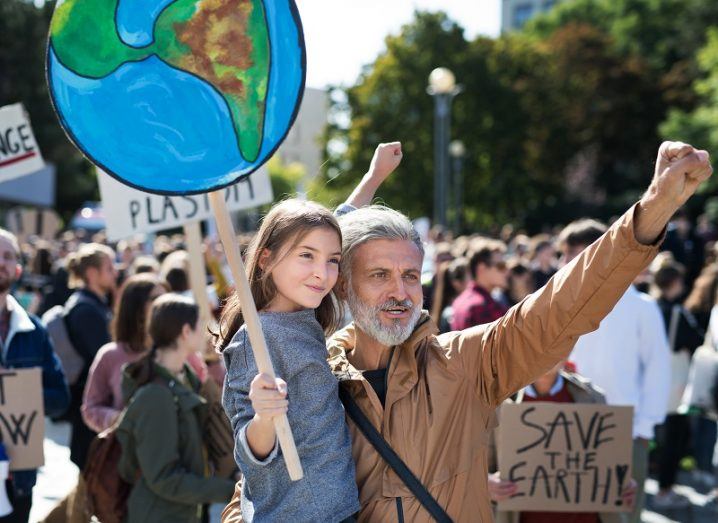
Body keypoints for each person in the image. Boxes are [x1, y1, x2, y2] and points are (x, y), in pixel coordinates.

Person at [221, 142, 711, 521]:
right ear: (342, 284)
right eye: (379, 276)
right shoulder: (310, 371)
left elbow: (564, 306)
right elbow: (256, 492)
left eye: (411, 275)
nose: (401, 292)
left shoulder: (467, 362)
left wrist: (650, 213)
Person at [218, 143, 402, 522]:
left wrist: (373, 177)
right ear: (266, 258)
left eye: (333, 260)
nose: (323, 271)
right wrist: (264, 418)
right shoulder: (257, 339)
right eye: (306, 256)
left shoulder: (302, 309)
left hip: (338, 510)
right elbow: (249, 456)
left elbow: (337, 223)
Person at [563, 218, 671, 522]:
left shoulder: (643, 308)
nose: (565, 262)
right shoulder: (560, 305)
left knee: (622, 516)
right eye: (564, 254)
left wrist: (643, 429)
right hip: (569, 429)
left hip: (627, 430)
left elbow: (657, 372)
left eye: (573, 253)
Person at [116, 293, 235, 522]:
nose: (206, 329)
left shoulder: (184, 378)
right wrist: (229, 489)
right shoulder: (156, 396)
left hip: (183, 511)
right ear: (185, 332)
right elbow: (164, 478)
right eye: (200, 323)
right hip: (159, 515)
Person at [488, 361, 637, 523]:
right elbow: (469, 469)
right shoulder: (496, 401)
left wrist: (622, 485)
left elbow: (607, 468)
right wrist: (487, 485)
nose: (551, 348)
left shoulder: (592, 397)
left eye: (560, 340)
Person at [0, 229, 69, 523]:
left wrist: (20, 394)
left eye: (8, 256)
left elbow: (60, 399)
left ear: (18, 269)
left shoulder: (34, 330)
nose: (1, 262)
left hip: (19, 475)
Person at [81, 273, 168, 433]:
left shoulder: (178, 349)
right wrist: (119, 419)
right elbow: (91, 408)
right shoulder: (110, 356)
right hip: (127, 451)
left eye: (167, 298)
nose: (165, 305)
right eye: (156, 299)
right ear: (136, 308)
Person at [651, 261, 704, 508]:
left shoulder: (651, 306)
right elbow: (697, 342)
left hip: (651, 379)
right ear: (674, 283)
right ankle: (665, 489)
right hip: (675, 382)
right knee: (674, 436)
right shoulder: (677, 312)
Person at [63, 243, 117, 470]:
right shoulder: (85, 310)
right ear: (93, 274)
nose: (116, 272)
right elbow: (104, 359)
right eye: (109, 267)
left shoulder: (93, 305)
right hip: (90, 414)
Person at [450, 238, 509, 330]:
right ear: (482, 268)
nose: (506, 271)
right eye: (501, 266)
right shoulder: (483, 307)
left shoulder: (459, 300)